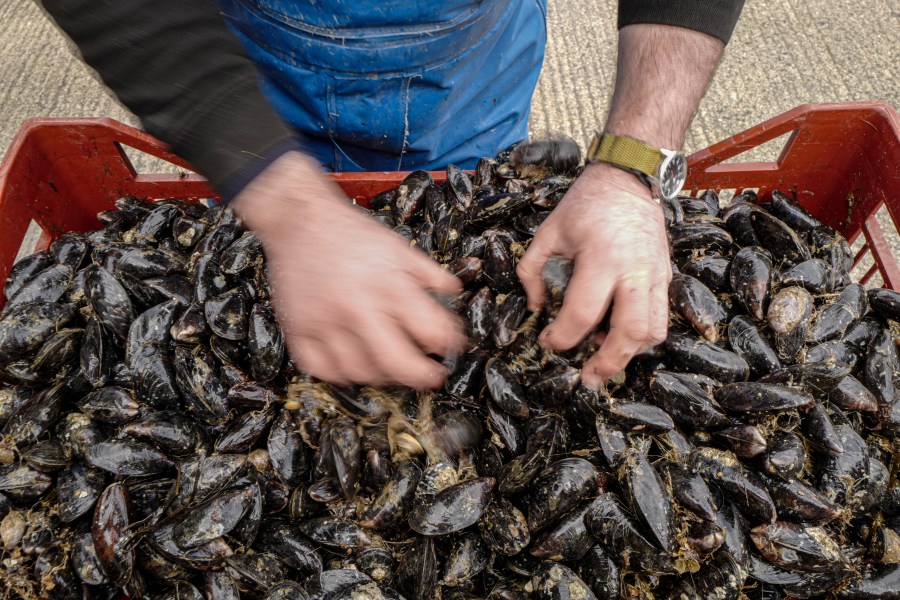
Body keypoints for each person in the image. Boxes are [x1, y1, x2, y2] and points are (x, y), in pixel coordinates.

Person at [38, 0, 744, 390]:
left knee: (476, 205)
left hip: (473, 59)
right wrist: (287, 208)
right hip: (251, 73)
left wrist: (632, 163)